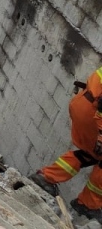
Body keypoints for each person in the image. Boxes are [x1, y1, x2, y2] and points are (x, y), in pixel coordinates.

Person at [32, 66, 102, 222]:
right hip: (94, 113)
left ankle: (46, 177)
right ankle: (88, 204)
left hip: (85, 105)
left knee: (90, 154)